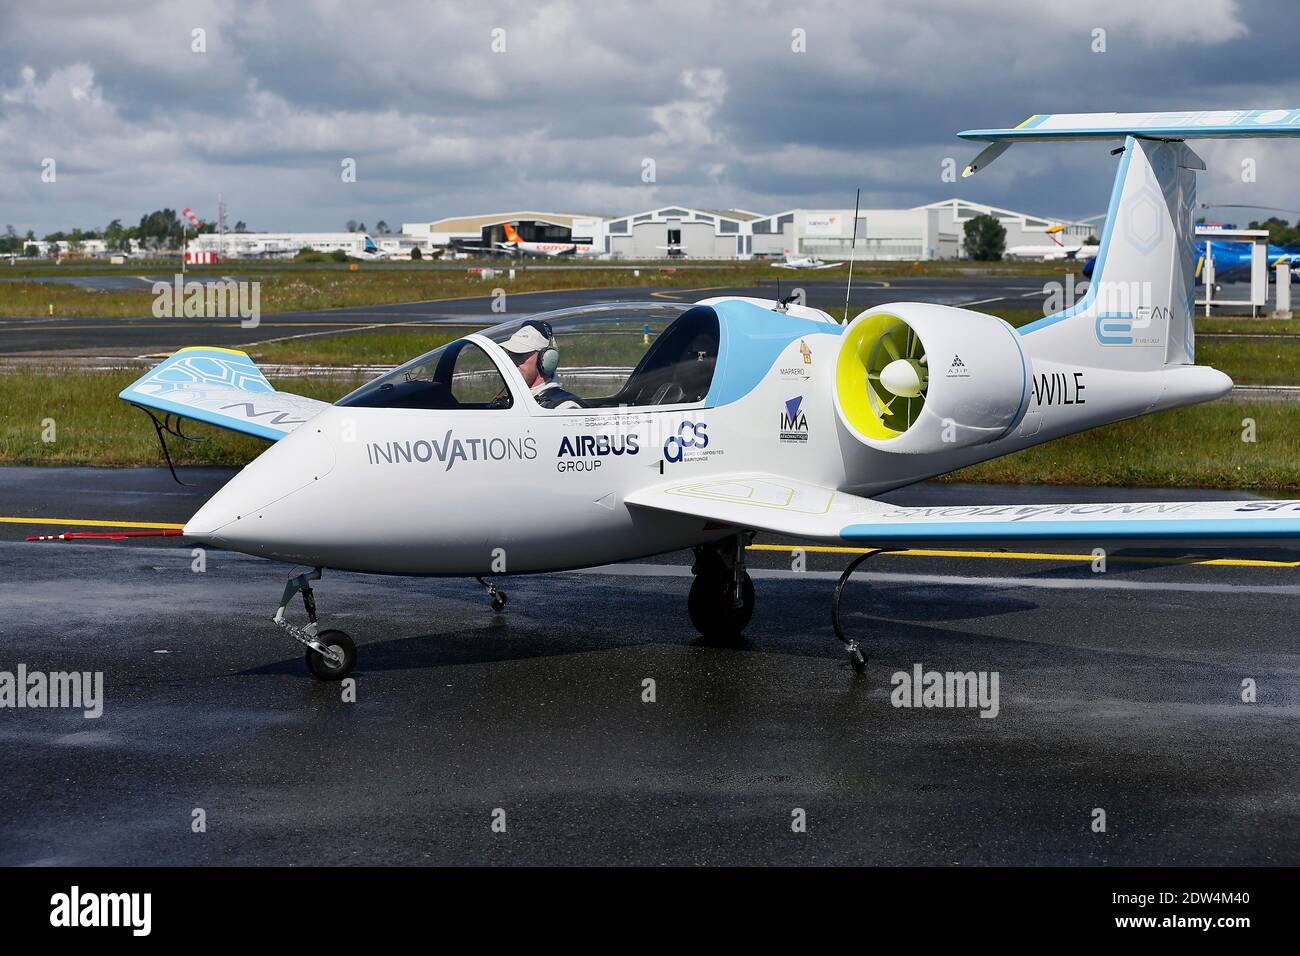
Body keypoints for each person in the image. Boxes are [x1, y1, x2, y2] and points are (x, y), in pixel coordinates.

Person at [499, 320, 585, 409]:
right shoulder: (510, 401)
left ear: (545, 359)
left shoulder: (564, 408)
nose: (511, 362)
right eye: (510, 354)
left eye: (519, 355)